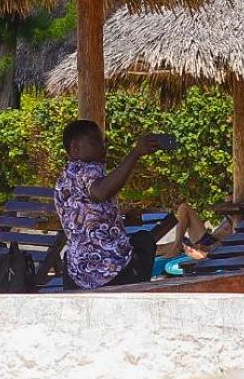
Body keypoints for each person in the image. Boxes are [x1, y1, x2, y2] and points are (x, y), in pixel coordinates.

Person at [53, 119, 172, 289]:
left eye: (102, 142)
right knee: (144, 240)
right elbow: (101, 191)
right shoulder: (85, 169)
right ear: (75, 148)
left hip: (76, 272)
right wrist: (135, 154)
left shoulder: (64, 177)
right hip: (107, 270)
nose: (102, 148)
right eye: (94, 142)